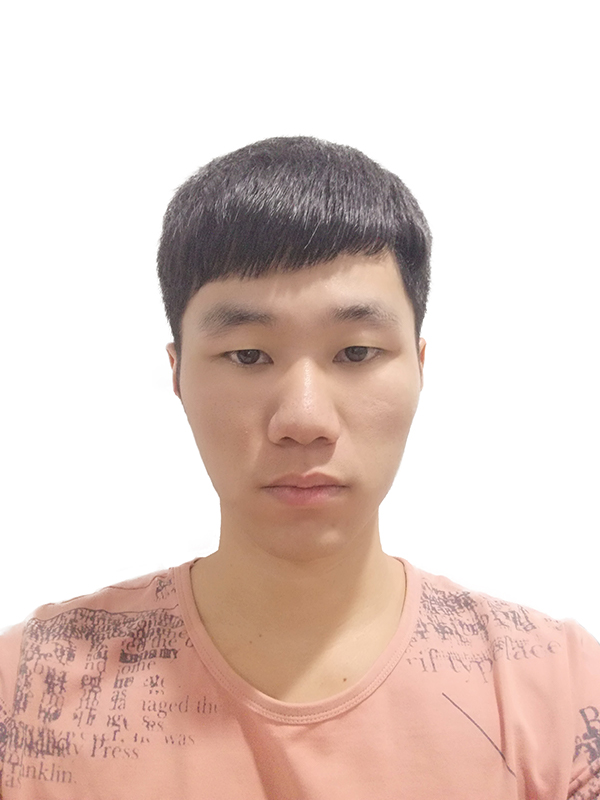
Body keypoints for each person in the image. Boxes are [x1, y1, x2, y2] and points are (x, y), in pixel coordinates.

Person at [0, 136, 598, 799]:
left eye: (356, 353)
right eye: (248, 355)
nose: (304, 419)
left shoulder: (563, 693)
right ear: (176, 375)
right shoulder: (28, 692)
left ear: (420, 365)